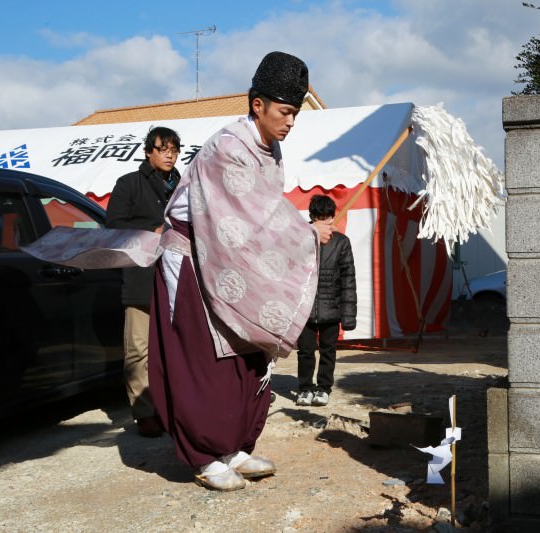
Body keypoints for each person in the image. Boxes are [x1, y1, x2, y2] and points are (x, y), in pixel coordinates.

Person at [147, 51, 334, 491]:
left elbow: (262, 211)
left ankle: (233, 446)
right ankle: (203, 453)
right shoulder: (227, 148)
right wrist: (305, 234)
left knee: (247, 352)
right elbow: (250, 215)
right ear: (258, 105)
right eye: (285, 112)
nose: (291, 122)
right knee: (204, 358)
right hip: (193, 258)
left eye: (295, 114)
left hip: (229, 256)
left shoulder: (270, 149)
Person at [106, 126, 181, 438]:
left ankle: (171, 408)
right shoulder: (129, 184)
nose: (169, 155)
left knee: (173, 349)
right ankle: (144, 412)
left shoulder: (183, 185)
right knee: (139, 349)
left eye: (174, 150)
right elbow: (113, 227)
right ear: (149, 151)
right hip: (141, 277)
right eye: (163, 149)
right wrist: (149, 233)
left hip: (176, 277)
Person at [296, 195, 357, 407]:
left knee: (328, 351)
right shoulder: (299, 238)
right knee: (305, 351)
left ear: (333, 217)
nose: (325, 222)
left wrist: (348, 317)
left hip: (331, 308)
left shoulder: (341, 243)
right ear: (312, 218)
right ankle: (304, 388)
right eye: (319, 218)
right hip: (304, 309)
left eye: (328, 218)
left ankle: (323, 388)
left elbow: (348, 280)